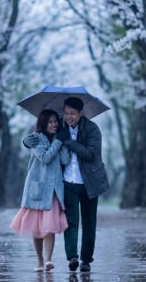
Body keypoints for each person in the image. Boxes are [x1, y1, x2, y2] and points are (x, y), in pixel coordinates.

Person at [25, 97, 110, 272]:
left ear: (80, 113)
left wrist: (70, 143)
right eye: (66, 113)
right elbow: (43, 136)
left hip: (89, 183)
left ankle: (86, 259)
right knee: (70, 222)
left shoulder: (92, 129)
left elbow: (91, 155)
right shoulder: (60, 126)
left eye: (73, 113)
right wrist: (26, 141)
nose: (68, 117)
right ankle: (72, 257)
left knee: (89, 222)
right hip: (67, 182)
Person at [11, 109, 71, 271]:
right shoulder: (36, 139)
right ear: (43, 123)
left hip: (53, 191)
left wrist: (63, 142)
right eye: (50, 122)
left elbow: (65, 160)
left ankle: (48, 260)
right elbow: (45, 158)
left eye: (56, 121)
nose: (54, 124)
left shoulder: (58, 139)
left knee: (49, 226)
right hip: (37, 189)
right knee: (36, 228)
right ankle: (39, 260)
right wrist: (58, 142)